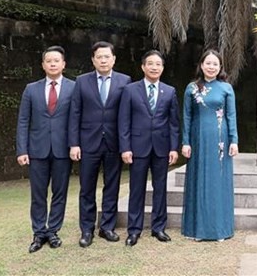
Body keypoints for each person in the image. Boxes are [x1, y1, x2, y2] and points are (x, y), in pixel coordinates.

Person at [68, 41, 131, 247]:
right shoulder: (81, 81)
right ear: (93, 60)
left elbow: (126, 116)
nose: (103, 60)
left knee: (111, 186)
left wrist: (126, 144)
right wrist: (74, 143)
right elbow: (74, 114)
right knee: (87, 188)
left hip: (114, 143)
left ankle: (107, 227)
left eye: (107, 56)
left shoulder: (125, 80)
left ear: (113, 59)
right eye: (99, 57)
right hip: (88, 143)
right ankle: (87, 230)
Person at [15, 46, 75, 253]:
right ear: (43, 65)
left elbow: (76, 120)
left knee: (60, 192)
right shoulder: (31, 89)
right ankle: (39, 232)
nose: (52, 64)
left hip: (62, 150)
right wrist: (22, 150)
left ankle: (53, 231)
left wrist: (75, 145)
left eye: (56, 61)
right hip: (37, 150)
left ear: (63, 64)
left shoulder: (73, 88)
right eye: (48, 61)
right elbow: (23, 121)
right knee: (38, 194)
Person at [118, 50, 179, 246]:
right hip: (137, 148)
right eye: (150, 63)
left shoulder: (169, 91)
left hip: (161, 148)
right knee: (136, 189)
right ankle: (134, 230)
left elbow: (174, 123)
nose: (154, 67)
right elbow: (123, 121)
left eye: (158, 64)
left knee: (160, 188)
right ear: (143, 67)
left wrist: (173, 148)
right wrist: (125, 147)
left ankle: (158, 227)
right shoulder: (130, 90)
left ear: (162, 68)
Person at [181, 50, 239, 241]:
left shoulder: (226, 88)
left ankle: (219, 229)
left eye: (215, 64)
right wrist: (185, 142)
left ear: (220, 67)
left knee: (218, 181)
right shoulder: (191, 88)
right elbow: (187, 117)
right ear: (201, 65)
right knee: (199, 179)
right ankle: (197, 229)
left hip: (220, 141)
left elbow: (231, 116)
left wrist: (234, 140)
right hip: (198, 139)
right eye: (208, 63)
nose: (211, 67)